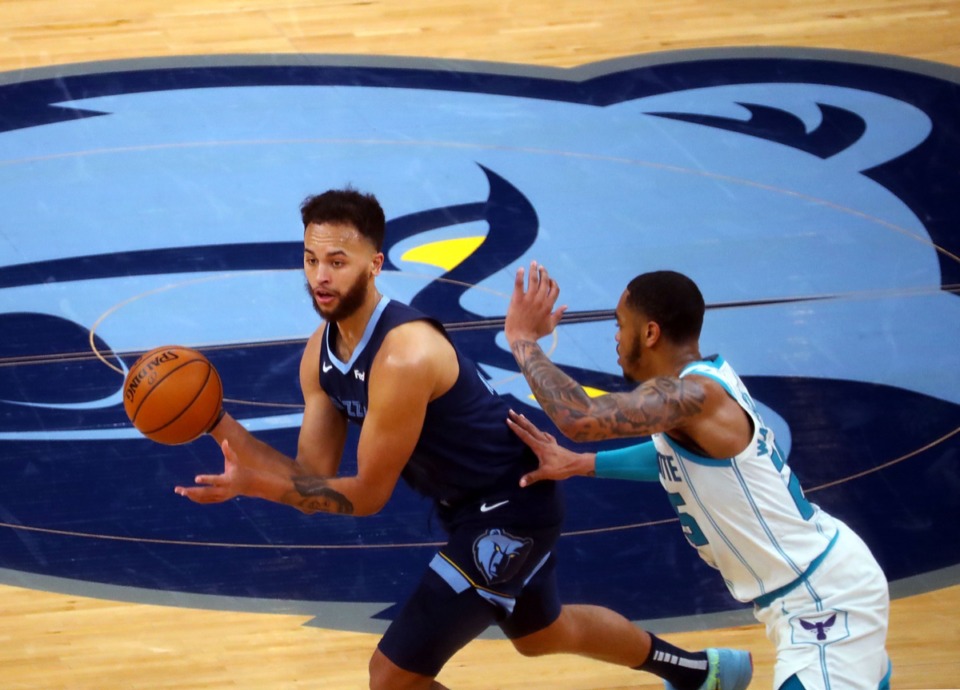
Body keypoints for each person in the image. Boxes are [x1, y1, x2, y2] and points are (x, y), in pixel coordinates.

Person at [174, 189, 753, 690]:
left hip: (509, 507)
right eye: (310, 259)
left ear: (374, 264)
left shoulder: (404, 355)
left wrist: (255, 487)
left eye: (337, 261)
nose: (320, 276)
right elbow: (311, 470)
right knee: (543, 634)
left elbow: (367, 496)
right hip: (476, 504)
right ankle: (699, 672)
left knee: (392, 675)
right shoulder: (320, 353)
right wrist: (215, 422)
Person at [502, 263, 892, 690]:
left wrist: (522, 340)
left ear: (650, 333)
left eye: (620, 324)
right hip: (808, 588)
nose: (615, 337)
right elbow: (672, 458)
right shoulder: (698, 390)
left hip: (823, 601)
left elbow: (579, 417)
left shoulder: (695, 396)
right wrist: (582, 464)